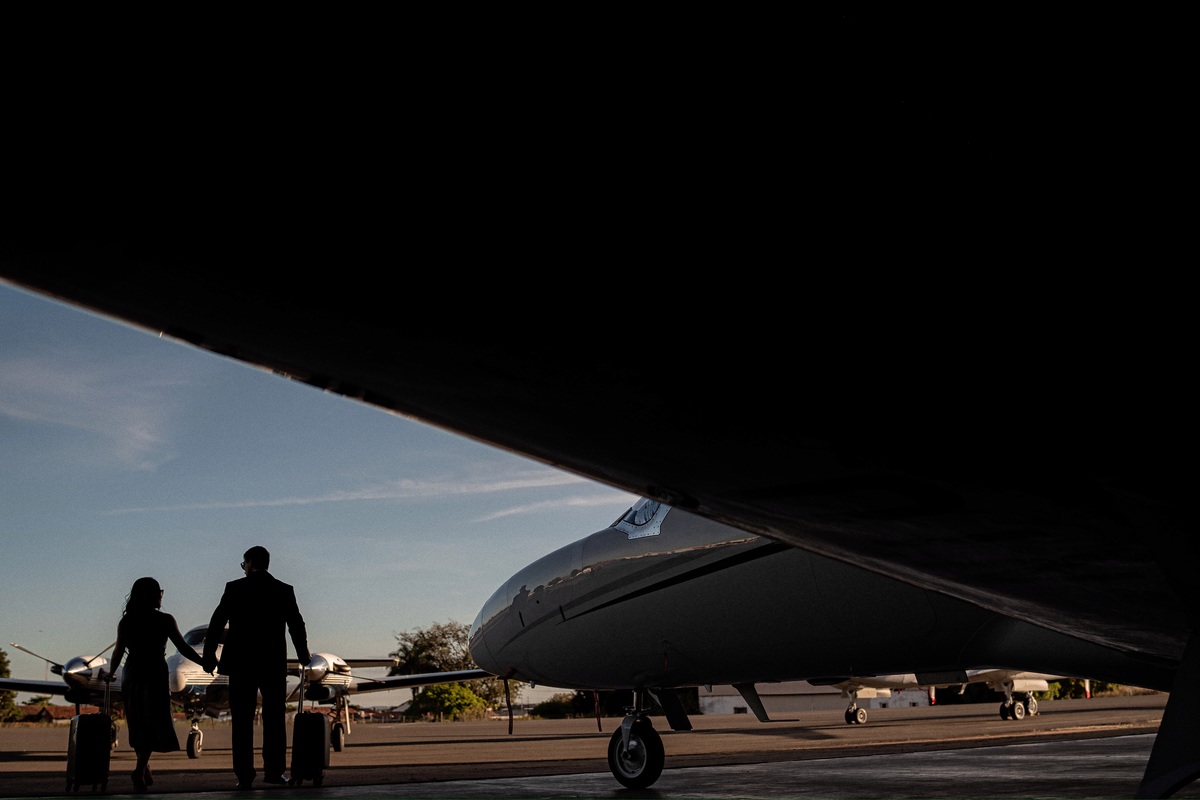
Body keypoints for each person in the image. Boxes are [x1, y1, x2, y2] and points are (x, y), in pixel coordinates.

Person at [203, 545, 310, 790]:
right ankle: (274, 772)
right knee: (274, 719)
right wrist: (303, 654)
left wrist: (209, 655)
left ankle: (244, 776)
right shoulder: (283, 590)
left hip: (241, 663)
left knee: (241, 721)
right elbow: (296, 624)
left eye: (244, 564)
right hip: (272, 662)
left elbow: (217, 622)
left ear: (250, 563)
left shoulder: (234, 588)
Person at [105, 577, 209, 792]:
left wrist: (112, 673)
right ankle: (138, 770)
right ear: (152, 595)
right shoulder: (165, 620)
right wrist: (204, 663)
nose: (161, 596)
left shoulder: (127, 621)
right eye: (159, 592)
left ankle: (144, 766)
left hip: (133, 673)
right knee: (153, 722)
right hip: (154, 673)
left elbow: (118, 651)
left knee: (138, 721)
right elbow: (184, 648)